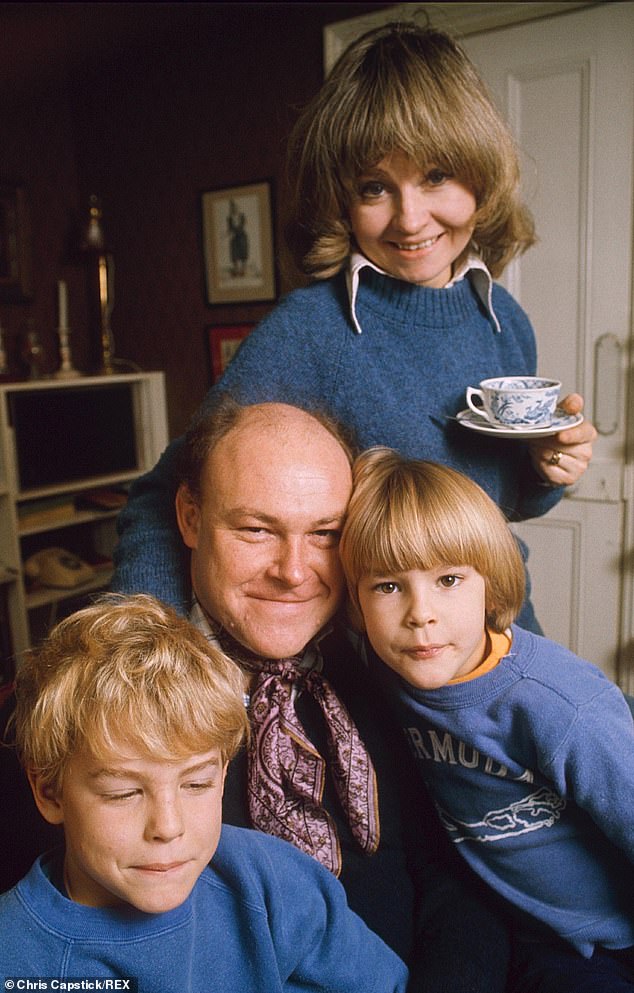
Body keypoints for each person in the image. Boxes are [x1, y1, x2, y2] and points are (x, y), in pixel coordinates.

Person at [111, 21, 595, 632]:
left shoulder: (505, 320)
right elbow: (166, 496)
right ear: (342, 200)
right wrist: (135, 642)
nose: (410, 218)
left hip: (505, 633)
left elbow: (503, 507)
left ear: (482, 176)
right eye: (374, 187)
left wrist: (548, 470)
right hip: (391, 668)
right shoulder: (311, 330)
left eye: (436, 176)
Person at [172, 395, 511, 992]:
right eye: (256, 530)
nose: (294, 572)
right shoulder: (122, 702)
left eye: (324, 534)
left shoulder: (387, 659)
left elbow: (451, 874)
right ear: (191, 518)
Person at [0, 592, 409, 993]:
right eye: (123, 793)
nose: (168, 827)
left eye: (196, 784)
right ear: (49, 791)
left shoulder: (272, 881)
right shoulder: (16, 959)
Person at [338, 446, 634, 992]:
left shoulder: (560, 705)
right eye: (387, 586)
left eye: (448, 580)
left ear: (490, 584)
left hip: (602, 940)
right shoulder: (386, 673)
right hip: (506, 918)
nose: (420, 613)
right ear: (354, 603)